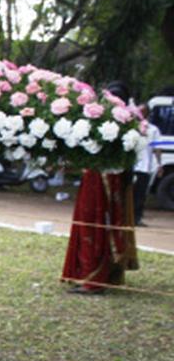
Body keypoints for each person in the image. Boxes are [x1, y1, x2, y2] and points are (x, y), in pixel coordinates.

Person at [61, 81, 139, 294]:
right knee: (88, 224)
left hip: (104, 181)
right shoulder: (103, 120)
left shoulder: (123, 124)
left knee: (94, 225)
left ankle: (93, 279)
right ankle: (89, 275)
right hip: (96, 178)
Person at [132, 105, 160, 226]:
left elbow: (157, 148)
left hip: (144, 167)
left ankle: (137, 218)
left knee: (140, 194)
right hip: (131, 166)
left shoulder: (153, 129)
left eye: (143, 111)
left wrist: (159, 164)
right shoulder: (131, 127)